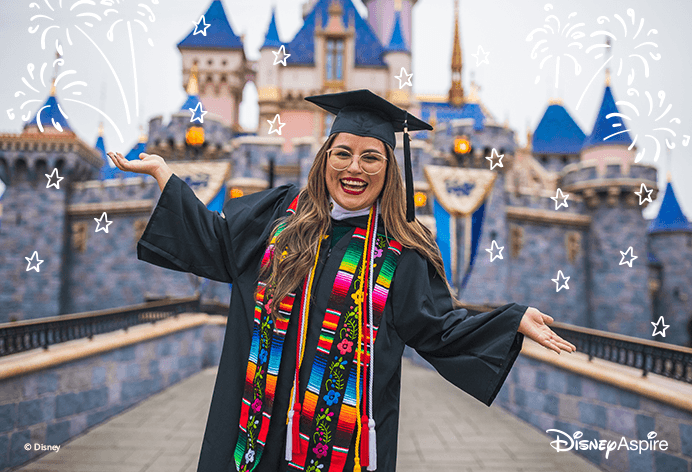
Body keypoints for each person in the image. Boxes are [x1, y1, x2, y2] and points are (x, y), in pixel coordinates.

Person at [107, 89, 576, 472]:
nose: (354, 168)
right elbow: (216, 242)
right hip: (253, 431)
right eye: (343, 153)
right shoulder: (280, 218)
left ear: (390, 170)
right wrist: (166, 177)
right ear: (324, 158)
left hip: (339, 449)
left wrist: (511, 320)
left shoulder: (399, 253)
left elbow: (438, 327)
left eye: (371, 157)